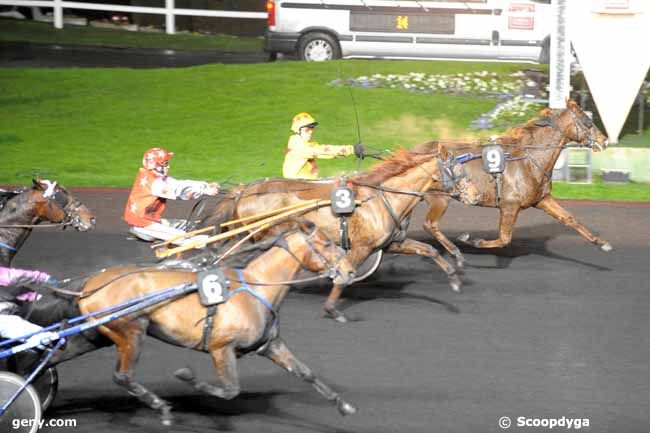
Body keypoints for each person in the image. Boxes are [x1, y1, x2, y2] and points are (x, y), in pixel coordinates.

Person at [124, 147, 220, 246]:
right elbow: (179, 192)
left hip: (149, 219)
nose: (168, 167)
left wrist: (205, 185)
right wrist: (205, 191)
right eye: (165, 164)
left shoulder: (152, 175)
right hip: (144, 224)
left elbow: (178, 184)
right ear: (155, 166)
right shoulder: (155, 183)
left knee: (189, 225)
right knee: (185, 237)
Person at [282, 112, 364, 179]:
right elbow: (324, 151)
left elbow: (329, 155)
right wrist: (351, 149)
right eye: (307, 129)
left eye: (312, 128)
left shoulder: (305, 143)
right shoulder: (299, 146)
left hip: (306, 184)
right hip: (299, 187)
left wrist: (350, 152)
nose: (311, 132)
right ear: (298, 131)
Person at [0, 266, 57, 345]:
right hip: (7, 313)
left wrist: (42, 278)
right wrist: (42, 278)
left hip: (15, 304)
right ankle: (44, 338)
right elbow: (12, 276)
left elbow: (12, 275)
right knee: (9, 323)